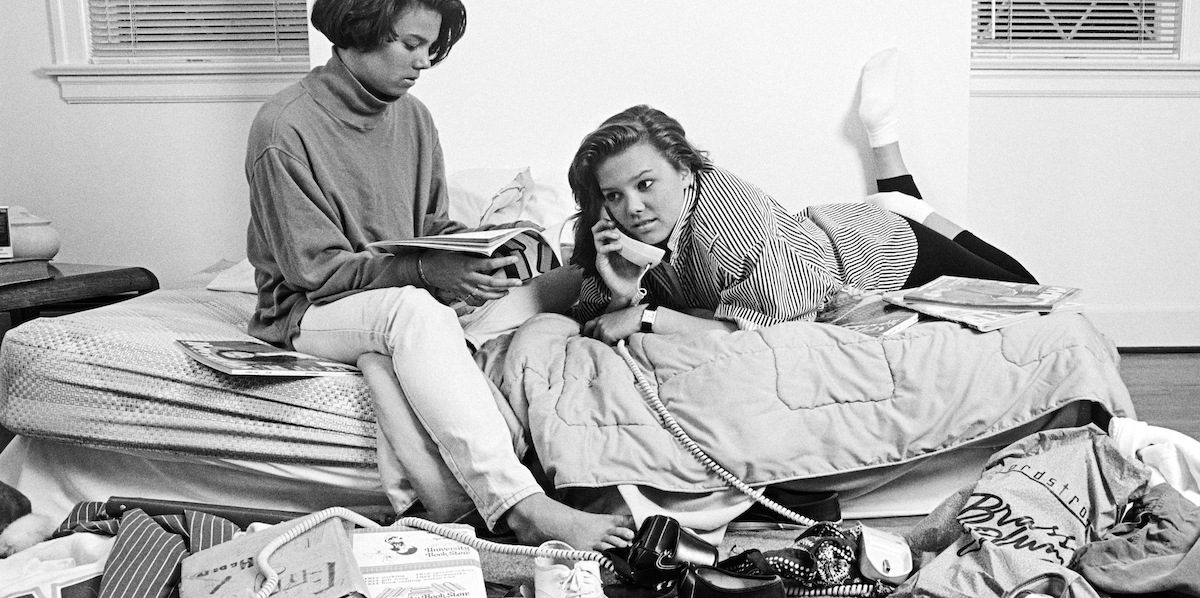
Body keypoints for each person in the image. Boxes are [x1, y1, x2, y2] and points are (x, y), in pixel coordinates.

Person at [244, 0, 633, 551]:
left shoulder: (413, 118)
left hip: (397, 289)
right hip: (310, 310)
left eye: (431, 48)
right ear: (358, 29)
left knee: (561, 285)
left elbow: (429, 227)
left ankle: (454, 370)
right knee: (415, 312)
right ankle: (518, 504)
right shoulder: (284, 127)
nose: (423, 62)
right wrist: (428, 273)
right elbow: (316, 272)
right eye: (409, 44)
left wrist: (484, 255)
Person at [568, 49, 1037, 344]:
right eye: (615, 194)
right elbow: (595, 322)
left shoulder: (726, 218)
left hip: (879, 249)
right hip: (812, 231)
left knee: (1029, 296)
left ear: (686, 171)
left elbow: (764, 328)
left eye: (646, 184)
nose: (630, 207)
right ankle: (895, 188)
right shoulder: (620, 237)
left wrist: (646, 318)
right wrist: (622, 294)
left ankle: (895, 184)